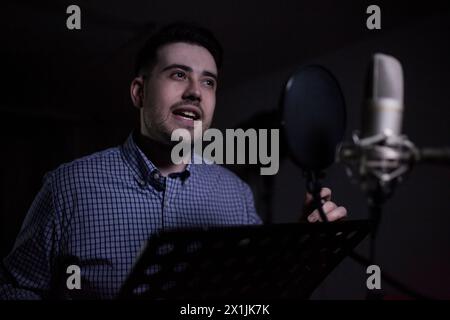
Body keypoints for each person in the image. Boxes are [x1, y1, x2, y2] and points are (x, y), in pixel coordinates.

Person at [0, 22, 347, 299]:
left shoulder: (237, 194)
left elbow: (257, 298)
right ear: (139, 92)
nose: (195, 91)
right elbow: (16, 288)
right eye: (179, 74)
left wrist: (301, 250)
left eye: (208, 81)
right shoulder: (68, 187)